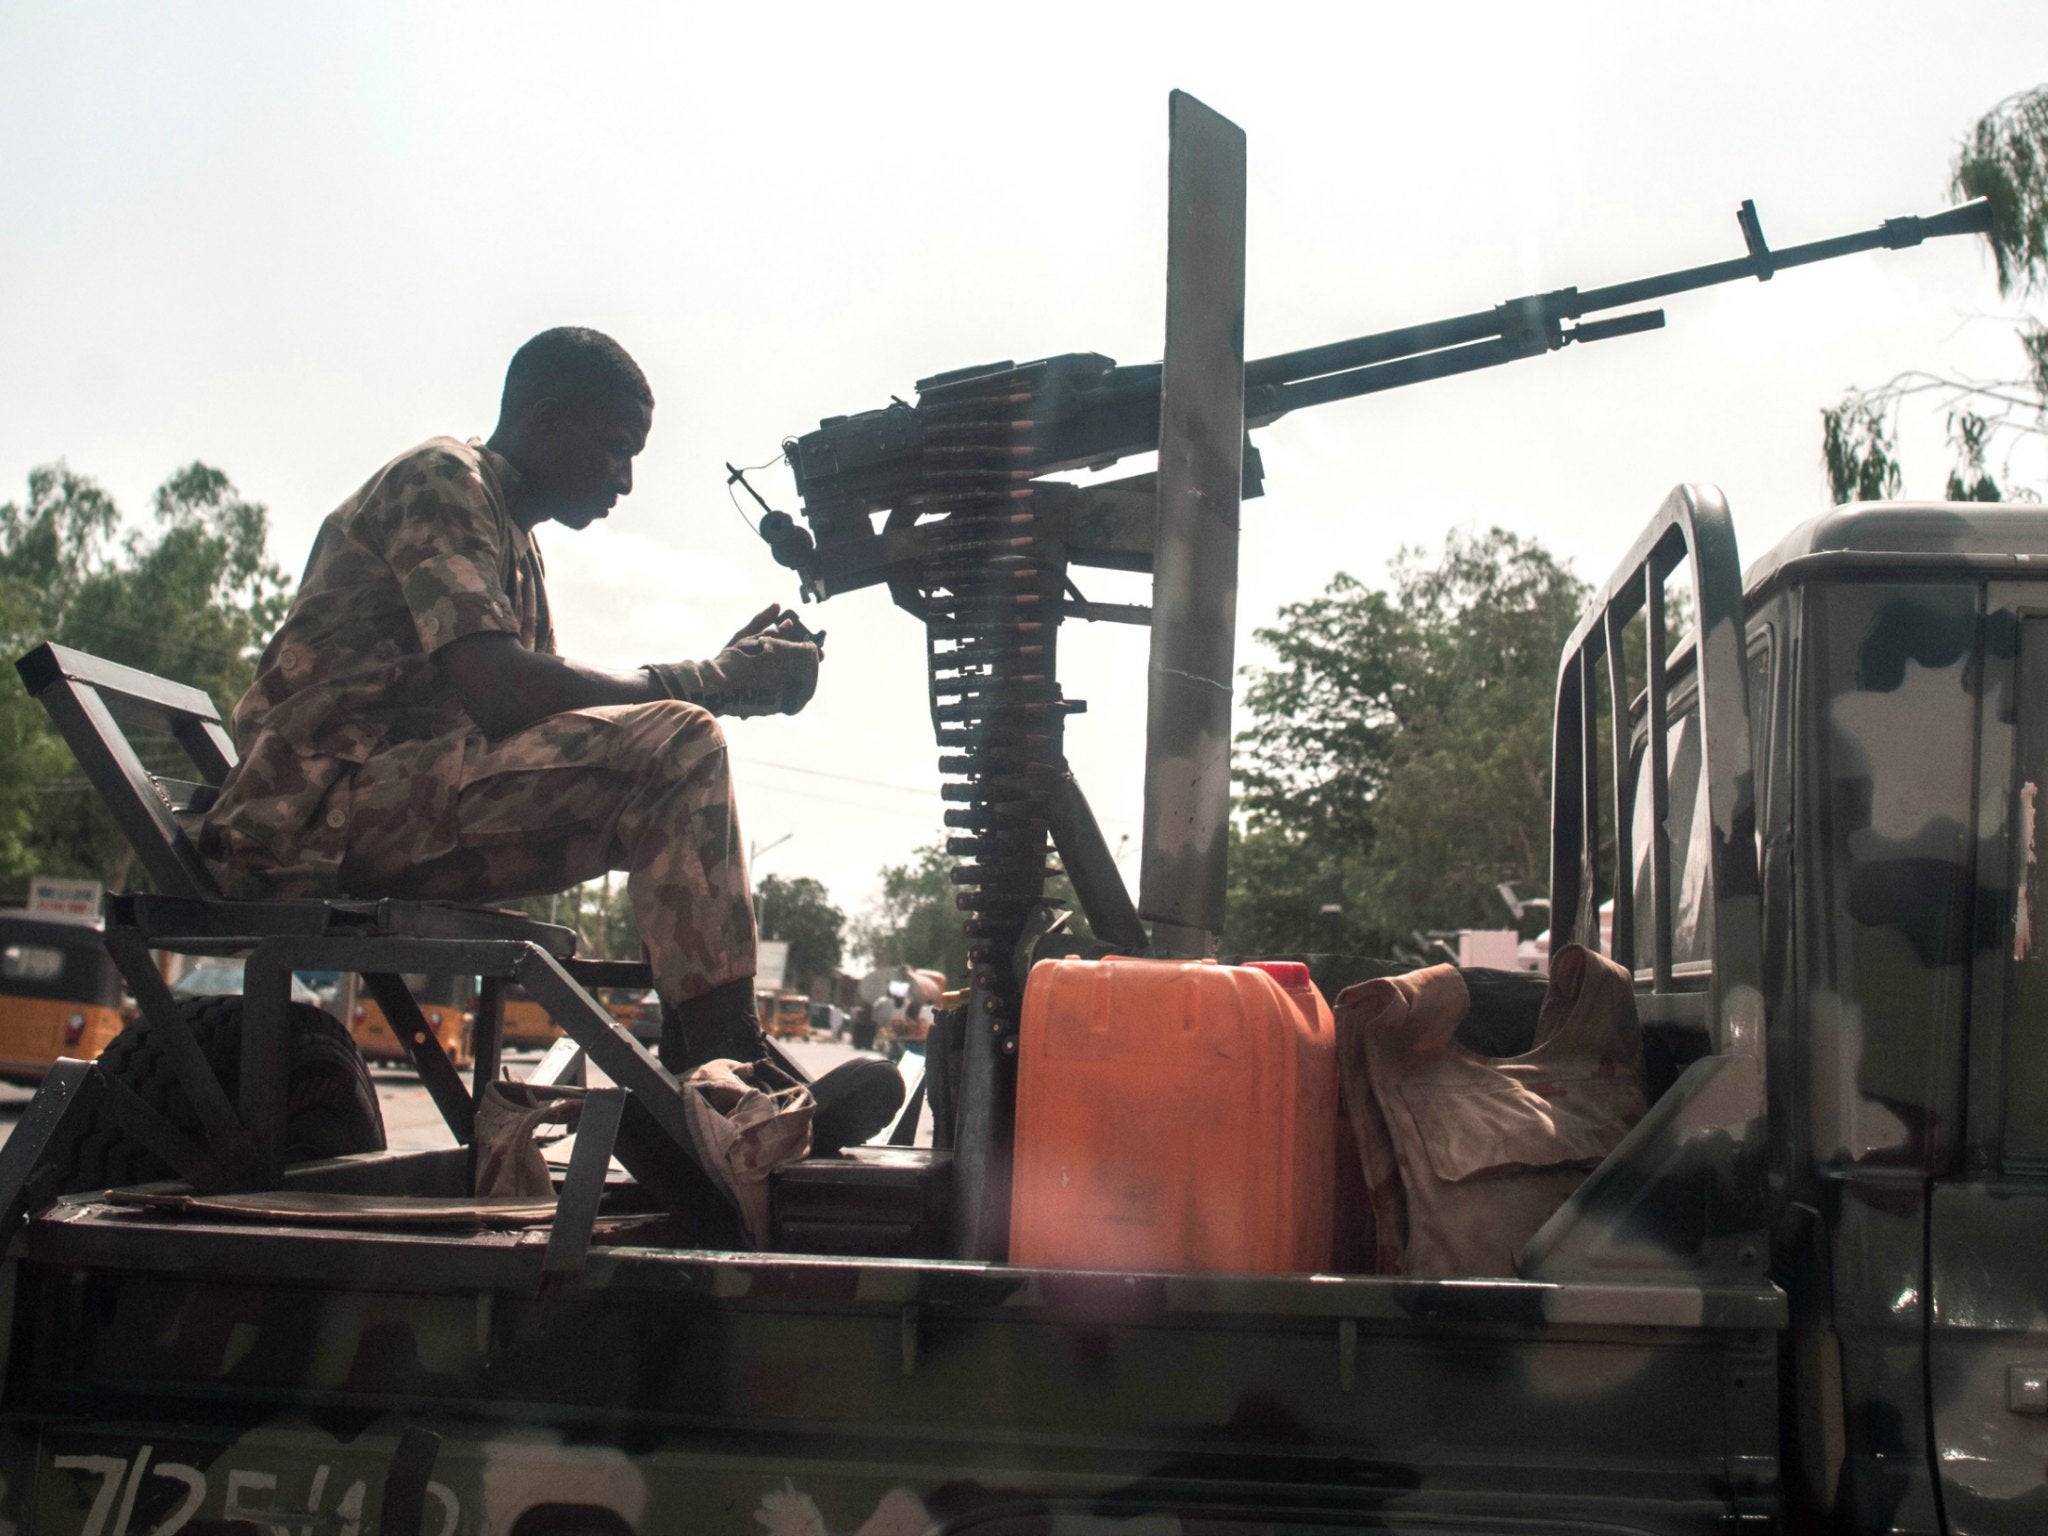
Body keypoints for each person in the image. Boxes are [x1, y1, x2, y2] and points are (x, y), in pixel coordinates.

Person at [202, 327, 899, 1150]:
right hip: (315, 815)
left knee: (677, 742)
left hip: (386, 803)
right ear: (545, 419)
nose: (626, 480)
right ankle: (728, 1093)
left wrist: (727, 676)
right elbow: (506, 695)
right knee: (680, 741)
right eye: (614, 450)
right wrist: (709, 680)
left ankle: (712, 1073)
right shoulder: (441, 480)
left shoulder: (511, 534)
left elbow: (558, 719)